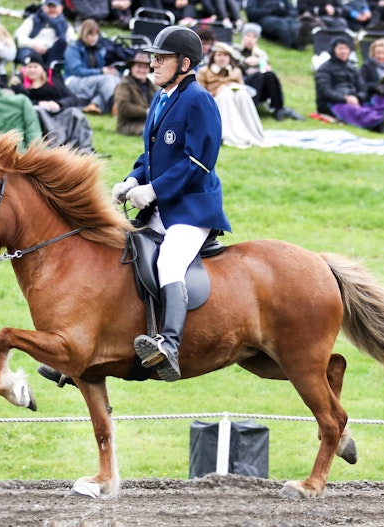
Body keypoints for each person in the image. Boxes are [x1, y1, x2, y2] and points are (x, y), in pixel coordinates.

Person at [112, 26, 231, 382]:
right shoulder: (162, 98)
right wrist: (134, 178)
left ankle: (170, 345)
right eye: (153, 57)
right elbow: (152, 154)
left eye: (161, 58)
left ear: (184, 63)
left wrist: (154, 190)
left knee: (169, 262)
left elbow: (198, 162)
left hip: (192, 210)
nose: (153, 63)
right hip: (162, 207)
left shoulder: (199, 99)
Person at [13, 51, 96, 153]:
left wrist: (58, 104)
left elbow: (72, 98)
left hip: (59, 112)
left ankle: (81, 147)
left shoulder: (54, 81)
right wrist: (37, 104)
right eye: (29, 67)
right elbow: (17, 102)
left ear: (42, 68)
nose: (32, 70)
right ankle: (51, 146)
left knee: (76, 114)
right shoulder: (19, 85)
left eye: (35, 67)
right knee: (38, 112)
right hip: (37, 115)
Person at [315, 35, 384, 133]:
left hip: (354, 100)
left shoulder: (353, 68)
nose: (343, 51)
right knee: (356, 112)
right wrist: (345, 99)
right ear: (333, 50)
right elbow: (325, 91)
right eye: (340, 48)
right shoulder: (324, 69)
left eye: (346, 48)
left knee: (369, 108)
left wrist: (358, 98)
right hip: (333, 102)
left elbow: (363, 88)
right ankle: (380, 124)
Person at [197, 41, 270, 148]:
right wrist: (217, 92)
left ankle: (248, 130)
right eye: (219, 55)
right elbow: (200, 96)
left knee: (242, 94)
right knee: (225, 95)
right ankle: (230, 133)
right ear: (214, 57)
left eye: (225, 55)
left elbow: (242, 86)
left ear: (229, 58)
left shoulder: (236, 71)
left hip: (234, 104)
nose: (222, 58)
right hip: (214, 104)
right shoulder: (204, 72)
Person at [236, 22, 303, 120]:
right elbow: (238, 65)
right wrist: (249, 63)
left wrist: (258, 63)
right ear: (243, 37)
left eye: (253, 37)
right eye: (248, 36)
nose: (250, 39)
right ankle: (252, 109)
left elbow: (265, 68)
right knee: (259, 75)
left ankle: (278, 108)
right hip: (243, 83)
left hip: (261, 86)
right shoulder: (236, 50)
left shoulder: (260, 54)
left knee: (270, 75)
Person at [63, 19, 122, 114]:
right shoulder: (73, 48)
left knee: (115, 78)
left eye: (96, 35)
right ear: (83, 34)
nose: (94, 38)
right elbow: (77, 71)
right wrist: (101, 71)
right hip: (73, 81)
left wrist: (109, 71)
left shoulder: (98, 49)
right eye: (91, 35)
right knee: (106, 80)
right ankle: (116, 105)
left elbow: (101, 69)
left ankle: (95, 105)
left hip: (91, 81)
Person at [14, 0, 76, 65]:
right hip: (33, 50)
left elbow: (72, 43)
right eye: (49, 7)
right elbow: (20, 37)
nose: (52, 10)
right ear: (43, 7)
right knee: (27, 54)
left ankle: (50, 71)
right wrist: (33, 45)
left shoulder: (66, 25)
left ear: (61, 8)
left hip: (55, 53)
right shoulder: (33, 20)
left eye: (54, 7)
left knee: (62, 43)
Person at [113, 51, 158, 136]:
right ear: (131, 67)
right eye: (139, 66)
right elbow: (124, 108)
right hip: (129, 126)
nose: (142, 70)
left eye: (145, 67)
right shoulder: (123, 85)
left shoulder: (153, 86)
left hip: (149, 123)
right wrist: (147, 112)